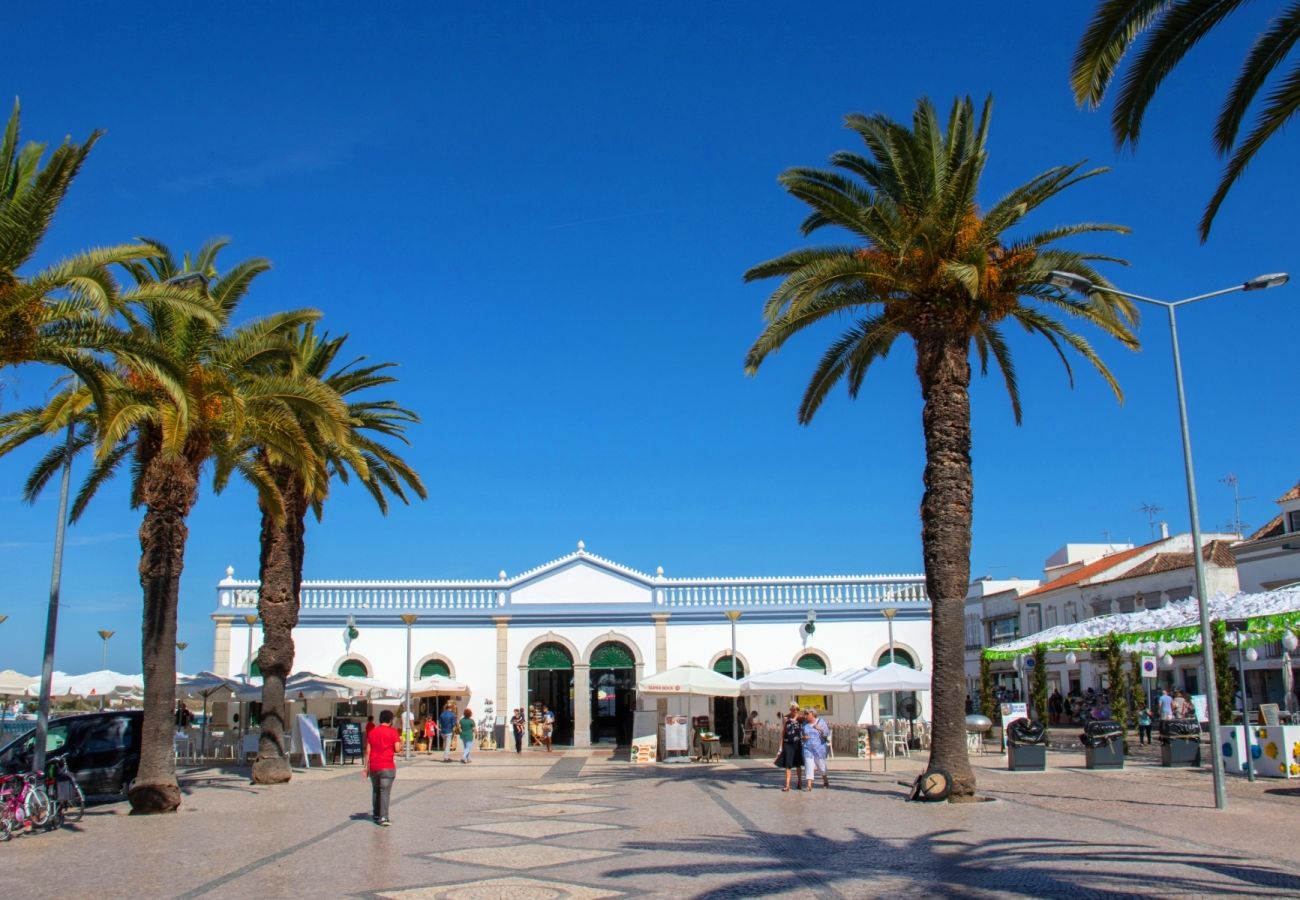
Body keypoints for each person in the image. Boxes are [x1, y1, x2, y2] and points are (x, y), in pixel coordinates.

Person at [363, 709, 402, 826]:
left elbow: (367, 751)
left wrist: (366, 767)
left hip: (374, 766)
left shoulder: (372, 732)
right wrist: (401, 743)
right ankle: (384, 817)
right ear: (390, 720)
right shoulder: (393, 732)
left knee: (376, 790)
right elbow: (397, 749)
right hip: (387, 766)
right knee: (385, 791)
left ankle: (376, 814)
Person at [800, 708, 830, 791]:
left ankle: (825, 781)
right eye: (805, 714)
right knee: (809, 765)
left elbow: (827, 733)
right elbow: (801, 735)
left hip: (819, 748)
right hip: (807, 747)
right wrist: (803, 737)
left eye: (807, 714)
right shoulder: (805, 723)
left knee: (821, 766)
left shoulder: (821, 721)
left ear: (813, 714)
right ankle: (809, 785)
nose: (805, 716)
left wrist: (820, 728)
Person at [778, 703, 804, 792]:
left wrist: (796, 716)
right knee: (788, 764)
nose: (794, 711)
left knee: (798, 764)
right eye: (793, 709)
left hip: (797, 743)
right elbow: (783, 731)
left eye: (796, 709)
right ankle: (787, 784)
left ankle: (800, 781)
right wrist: (781, 745)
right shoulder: (786, 718)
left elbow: (807, 718)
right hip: (788, 743)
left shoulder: (800, 718)